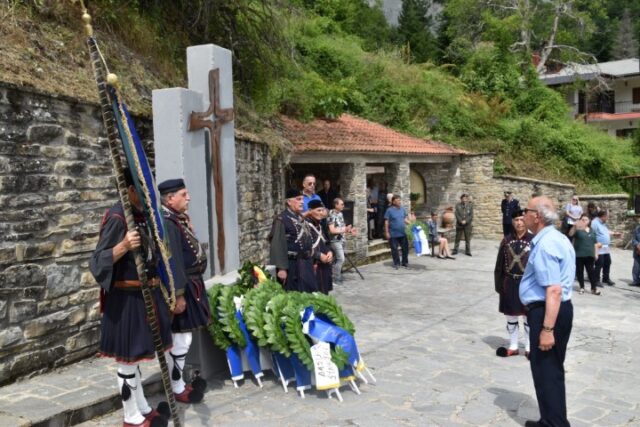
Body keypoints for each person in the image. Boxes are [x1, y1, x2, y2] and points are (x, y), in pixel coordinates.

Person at [89, 169, 170, 427]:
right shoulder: (118, 217)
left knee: (135, 359)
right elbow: (97, 261)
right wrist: (123, 245)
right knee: (127, 360)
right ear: (131, 190)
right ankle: (130, 416)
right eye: (143, 189)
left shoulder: (140, 217)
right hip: (126, 299)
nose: (148, 195)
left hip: (144, 296)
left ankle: (142, 406)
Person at [519, 196, 575, 427]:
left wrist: (547, 329)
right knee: (549, 369)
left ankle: (554, 424)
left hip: (548, 312)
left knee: (546, 370)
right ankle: (551, 420)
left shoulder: (546, 244)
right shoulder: (558, 238)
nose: (523, 215)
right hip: (555, 310)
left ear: (537, 216)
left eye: (526, 210)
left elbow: (553, 290)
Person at [159, 178, 210, 404]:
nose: (188, 198)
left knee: (183, 339)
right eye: (183, 194)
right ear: (170, 198)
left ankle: (177, 382)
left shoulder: (177, 219)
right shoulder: (169, 223)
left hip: (191, 284)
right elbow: (175, 262)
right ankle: (176, 387)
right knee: (181, 339)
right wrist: (178, 294)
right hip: (183, 286)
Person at [494, 209, 532, 358]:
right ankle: (514, 346)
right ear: (512, 222)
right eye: (516, 220)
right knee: (511, 316)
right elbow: (499, 265)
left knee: (528, 317)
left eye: (522, 219)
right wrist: (499, 285)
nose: (519, 223)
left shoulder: (534, 240)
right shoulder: (506, 240)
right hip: (509, 282)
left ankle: (529, 348)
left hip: (527, 284)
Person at [269, 189, 317, 292]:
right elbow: (277, 244)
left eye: (302, 199)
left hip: (305, 264)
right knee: (292, 294)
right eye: (298, 199)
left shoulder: (302, 218)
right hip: (292, 265)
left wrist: (313, 259)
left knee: (307, 294)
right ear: (289, 202)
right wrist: (281, 268)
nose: (302, 202)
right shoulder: (282, 219)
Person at [568, 214, 600, 295]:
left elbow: (595, 243)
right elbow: (570, 234)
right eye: (582, 220)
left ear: (589, 221)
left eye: (585, 220)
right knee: (580, 272)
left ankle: (594, 288)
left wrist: (596, 253)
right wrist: (575, 226)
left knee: (591, 272)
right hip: (579, 254)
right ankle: (582, 287)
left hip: (590, 254)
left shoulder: (592, 230)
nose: (584, 221)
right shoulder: (577, 229)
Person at [307, 199, 334, 294]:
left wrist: (330, 252)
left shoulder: (320, 225)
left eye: (322, 210)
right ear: (310, 211)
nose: (321, 213)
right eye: (318, 210)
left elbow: (326, 242)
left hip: (324, 265)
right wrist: (318, 255)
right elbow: (304, 247)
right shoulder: (305, 226)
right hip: (312, 265)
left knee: (324, 293)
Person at [328, 197, 356, 284]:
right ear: (336, 205)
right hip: (335, 240)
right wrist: (344, 229)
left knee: (336, 259)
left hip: (342, 239)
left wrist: (349, 230)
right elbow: (332, 230)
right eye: (342, 204)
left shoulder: (340, 214)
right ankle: (336, 278)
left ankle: (333, 276)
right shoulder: (331, 214)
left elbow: (342, 227)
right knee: (341, 259)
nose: (343, 206)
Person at [591, 210, 620, 286]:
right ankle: (596, 280)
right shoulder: (594, 223)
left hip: (605, 247)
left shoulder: (602, 223)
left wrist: (614, 233)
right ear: (603, 216)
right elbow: (591, 234)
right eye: (607, 216)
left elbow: (606, 231)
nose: (608, 218)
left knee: (607, 262)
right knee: (599, 263)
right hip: (599, 246)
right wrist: (595, 244)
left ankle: (605, 278)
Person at [384, 195, 411, 269]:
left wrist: (412, 224)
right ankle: (397, 263)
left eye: (400, 200)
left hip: (403, 233)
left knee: (405, 248)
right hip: (393, 234)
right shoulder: (389, 210)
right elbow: (386, 222)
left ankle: (404, 262)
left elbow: (405, 219)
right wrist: (387, 232)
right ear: (393, 202)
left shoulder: (402, 209)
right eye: (398, 200)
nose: (399, 202)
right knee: (394, 249)